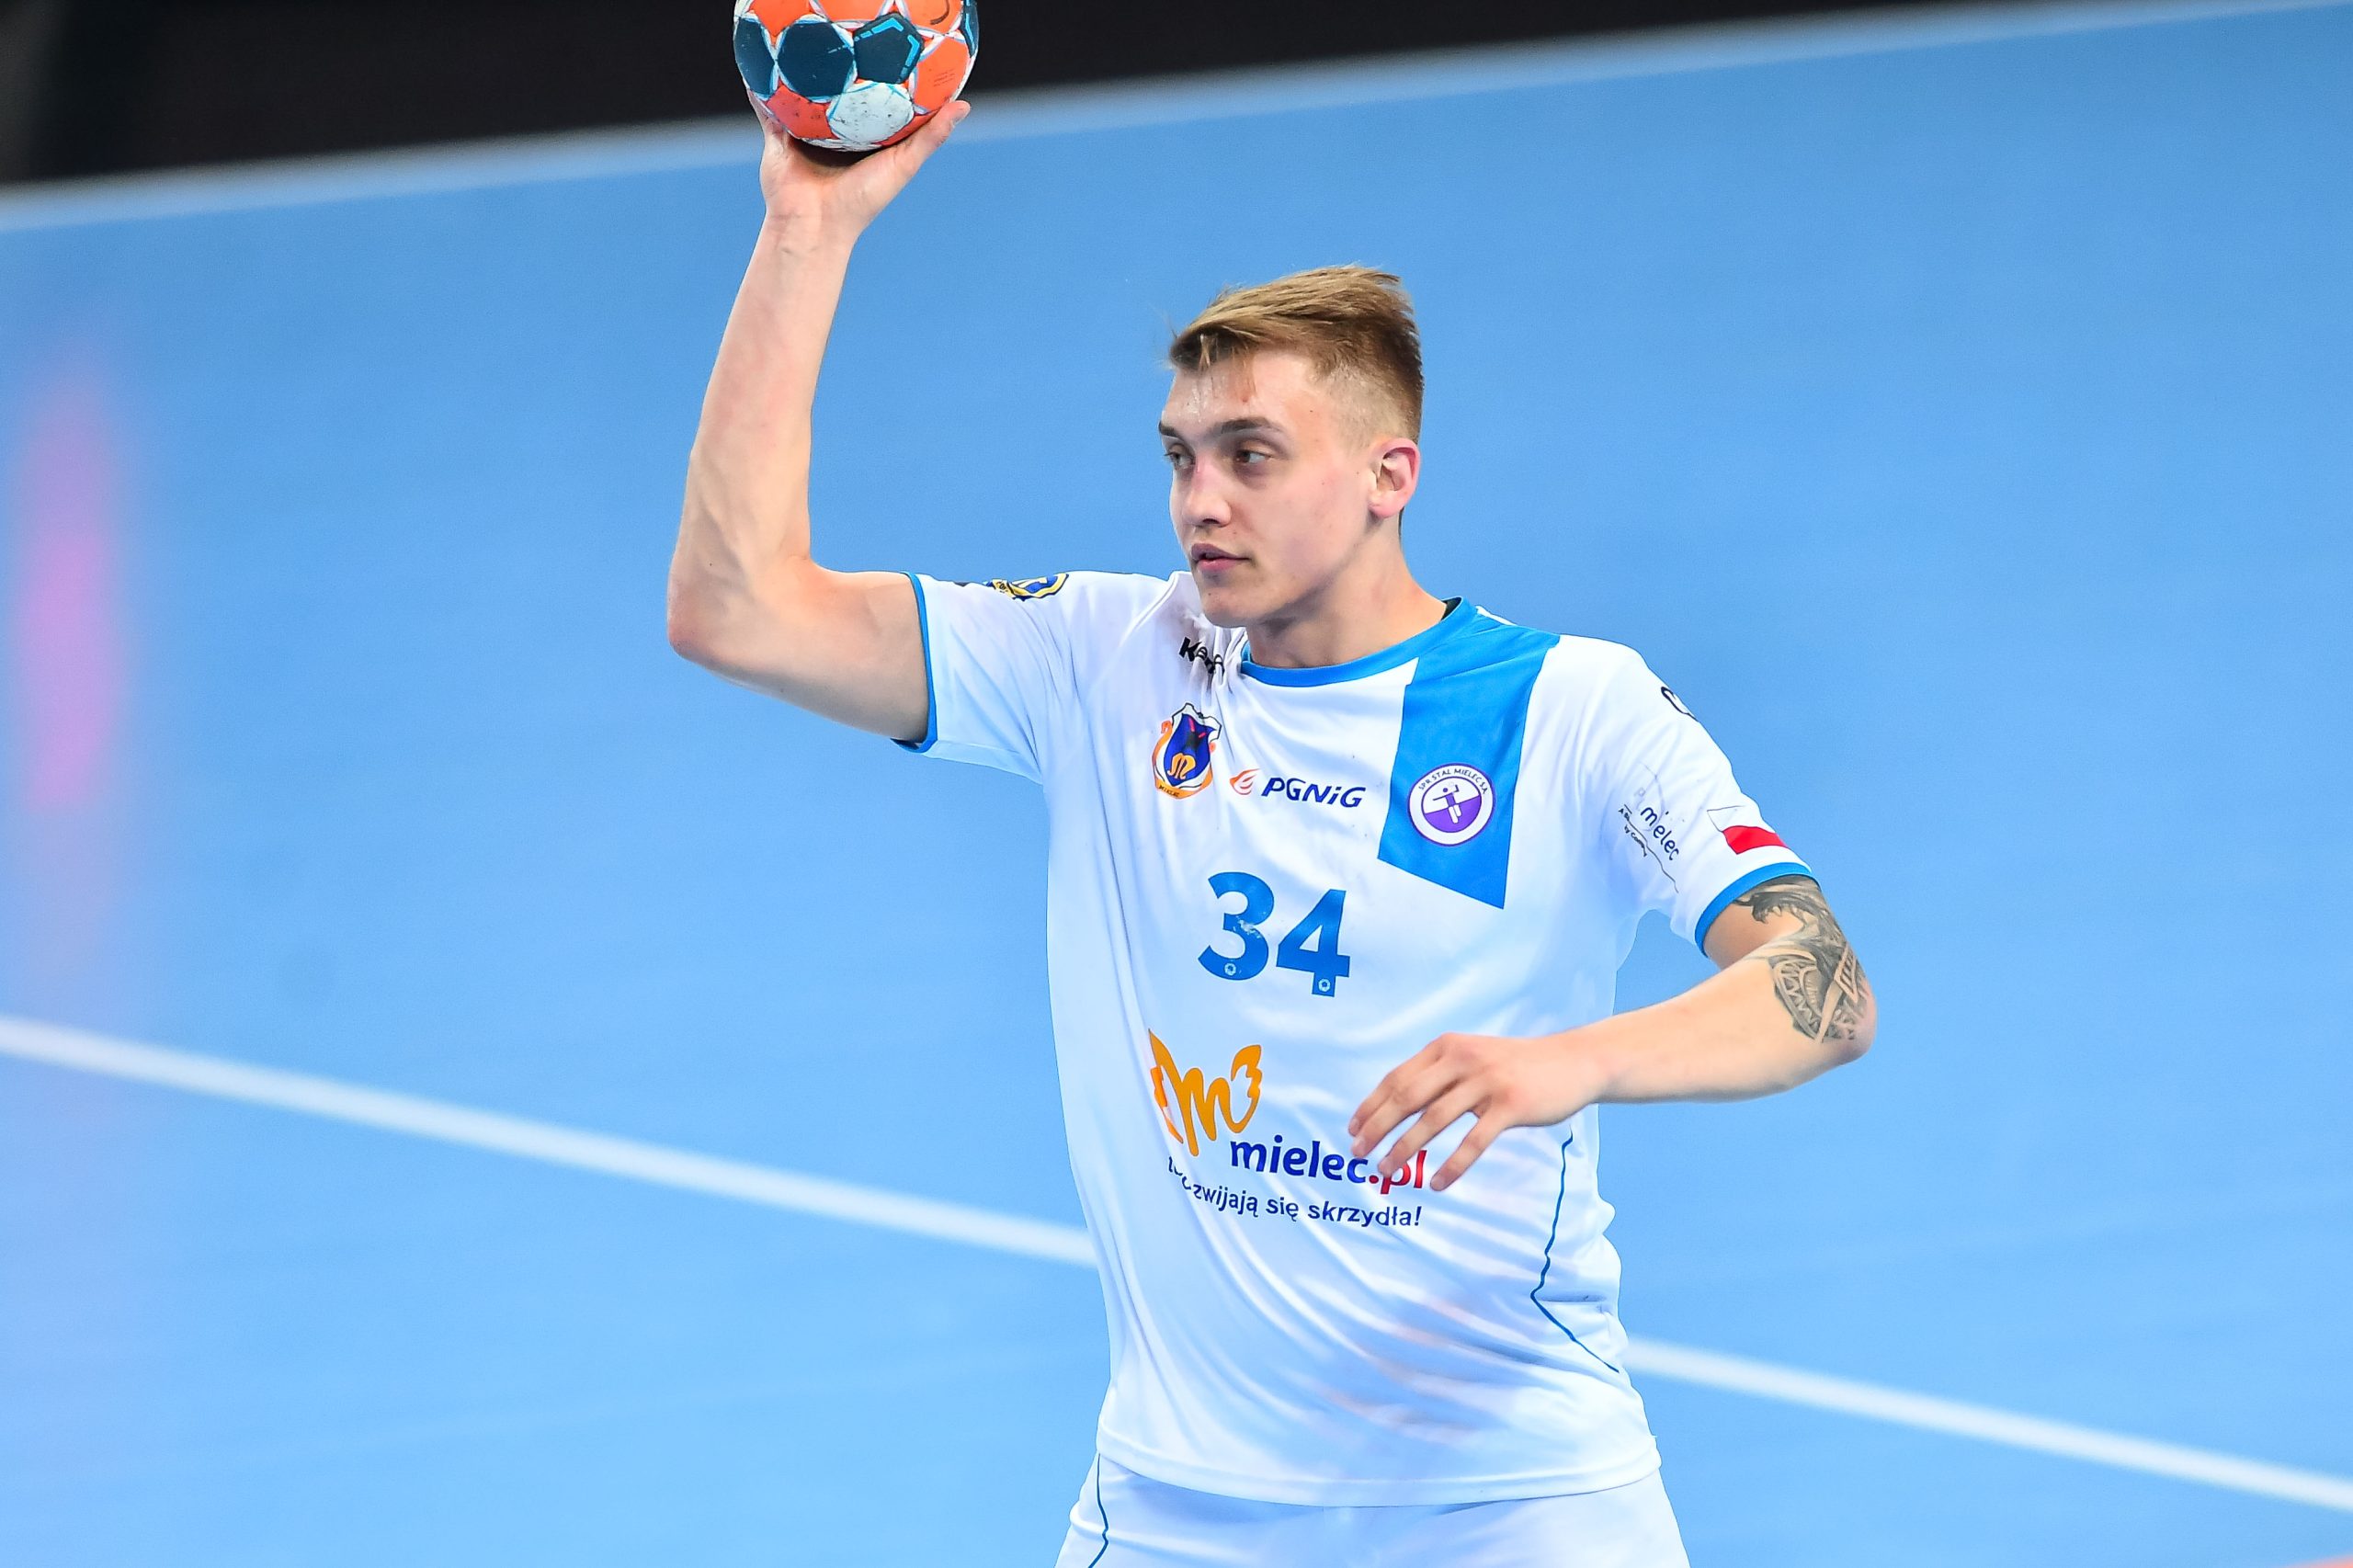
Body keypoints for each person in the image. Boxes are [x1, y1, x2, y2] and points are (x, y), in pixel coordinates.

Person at [668, 98, 1875, 1568]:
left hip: (1517, 1499)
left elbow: (1823, 988)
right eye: (1181, 455)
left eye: (1251, 454)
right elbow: (736, 609)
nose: (1200, 501)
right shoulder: (1106, 661)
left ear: (1388, 475)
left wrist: (1572, 1060)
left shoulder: (1569, 709)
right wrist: (804, 233)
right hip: (1185, 1511)